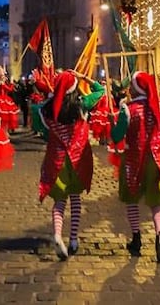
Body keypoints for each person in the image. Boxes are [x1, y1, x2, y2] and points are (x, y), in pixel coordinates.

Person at [34, 70, 105, 260]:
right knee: (75, 199)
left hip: (56, 159)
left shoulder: (45, 109)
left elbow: (40, 127)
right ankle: (73, 239)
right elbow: (101, 91)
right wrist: (84, 78)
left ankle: (57, 234)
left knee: (59, 201)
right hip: (77, 159)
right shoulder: (81, 104)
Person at [109, 71, 160, 263]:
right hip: (158, 158)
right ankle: (159, 237)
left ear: (136, 88)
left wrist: (112, 123)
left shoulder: (128, 109)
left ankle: (136, 238)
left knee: (132, 199)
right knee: (157, 202)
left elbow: (117, 136)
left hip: (135, 159)